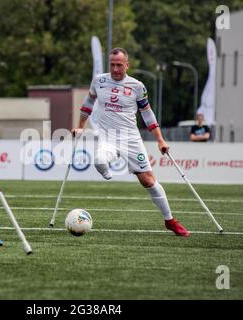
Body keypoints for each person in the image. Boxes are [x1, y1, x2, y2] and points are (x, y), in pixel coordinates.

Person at [72, 47, 189, 237]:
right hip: (107, 137)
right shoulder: (99, 81)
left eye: (119, 65)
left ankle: (170, 221)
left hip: (131, 139)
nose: (116, 69)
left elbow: (148, 115)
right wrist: (80, 126)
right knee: (99, 160)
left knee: (148, 181)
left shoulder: (137, 86)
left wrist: (160, 140)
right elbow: (88, 104)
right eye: (112, 64)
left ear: (127, 65)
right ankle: (107, 173)